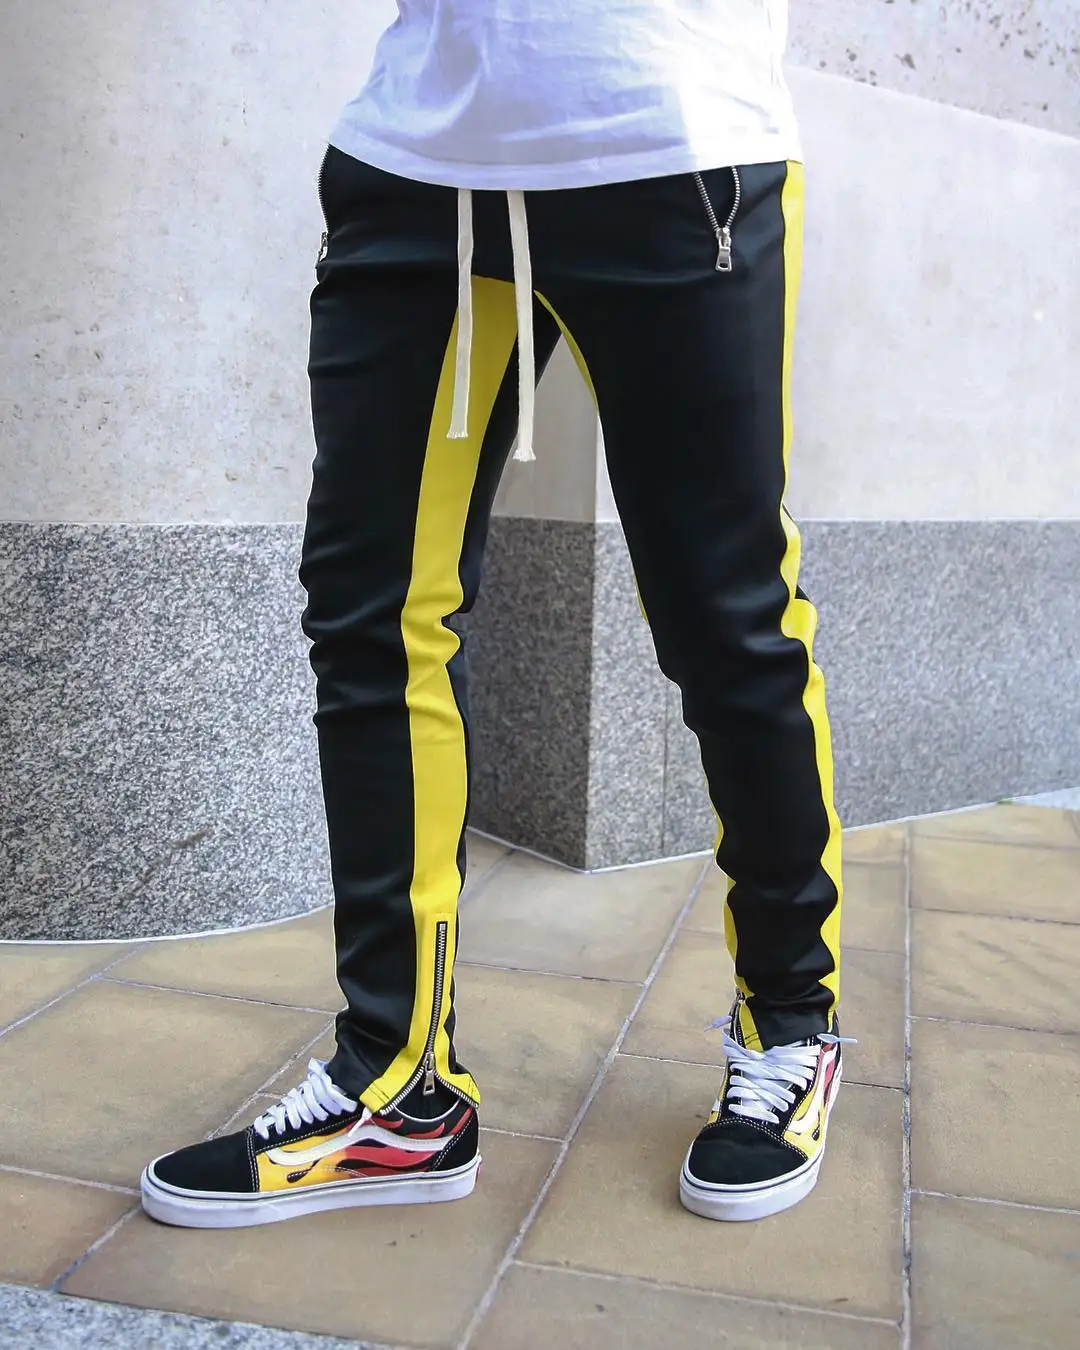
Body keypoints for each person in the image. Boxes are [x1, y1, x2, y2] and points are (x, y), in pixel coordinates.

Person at [141, 0, 847, 1230]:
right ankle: (398, 1087)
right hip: (418, 162)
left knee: (726, 619)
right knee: (371, 618)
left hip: (667, 143)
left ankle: (791, 1021)